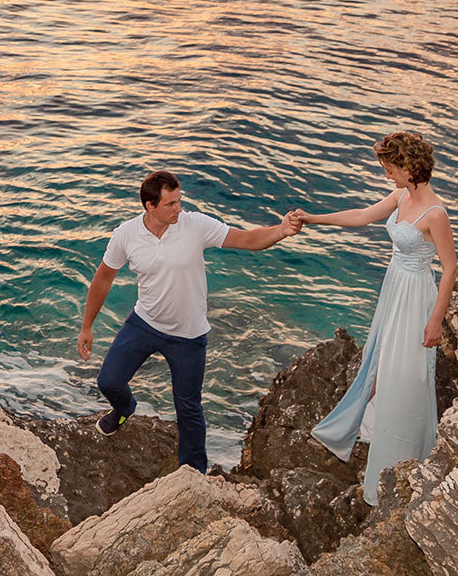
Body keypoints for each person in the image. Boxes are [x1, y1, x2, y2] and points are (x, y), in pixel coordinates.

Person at [78, 169, 305, 471]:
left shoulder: (195, 225)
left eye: (179, 201)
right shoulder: (126, 235)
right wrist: (87, 326)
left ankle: (193, 472)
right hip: (145, 323)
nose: (178, 209)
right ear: (150, 206)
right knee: (109, 381)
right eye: (170, 204)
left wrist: (281, 230)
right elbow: (103, 278)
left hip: (188, 335)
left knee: (188, 408)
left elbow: (247, 239)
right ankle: (124, 409)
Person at [299, 131, 457, 505]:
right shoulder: (401, 195)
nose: (386, 175)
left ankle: (403, 458)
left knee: (407, 376)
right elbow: (362, 217)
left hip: (416, 294)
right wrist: (312, 218)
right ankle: (368, 431)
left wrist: (435, 322)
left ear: (408, 168)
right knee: (382, 363)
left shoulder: (436, 213)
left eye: (389, 168)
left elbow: (449, 270)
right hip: (394, 287)